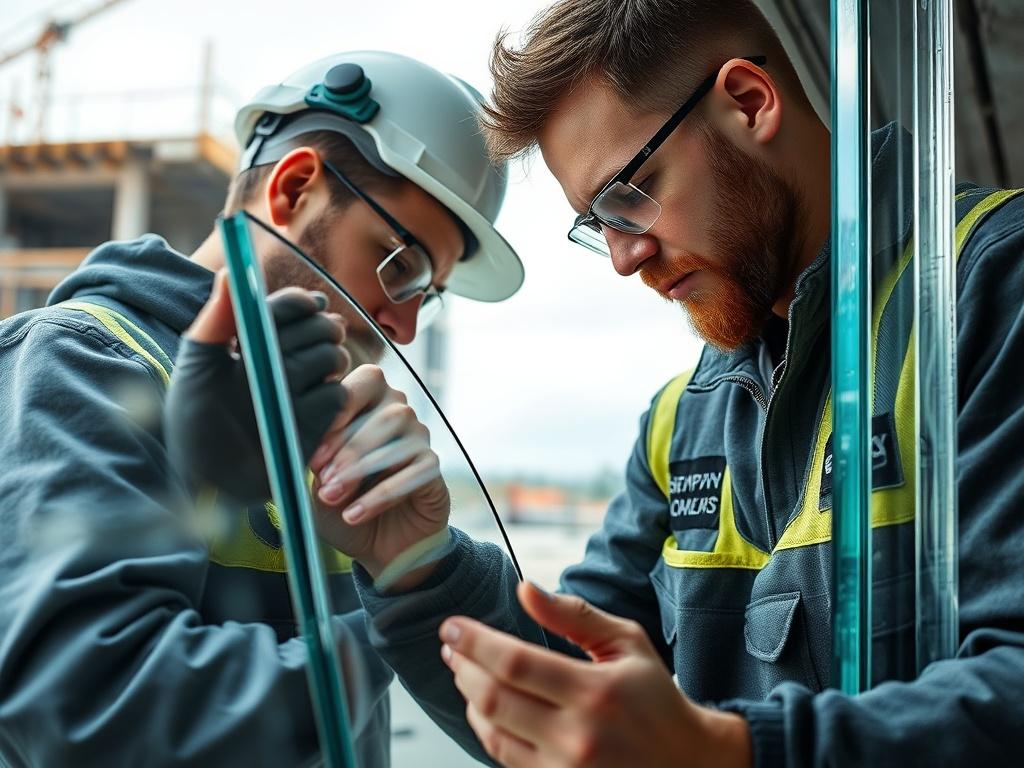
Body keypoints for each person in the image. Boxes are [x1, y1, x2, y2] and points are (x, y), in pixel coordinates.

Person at [330, 2, 1024, 767]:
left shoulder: (991, 286)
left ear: (749, 103)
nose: (625, 257)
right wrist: (413, 560)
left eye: (630, 191)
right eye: (598, 223)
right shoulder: (682, 418)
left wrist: (727, 752)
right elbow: (570, 695)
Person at [0, 50, 522, 766]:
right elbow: (98, 714)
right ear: (295, 188)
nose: (401, 326)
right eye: (398, 265)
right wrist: (386, 625)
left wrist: (417, 563)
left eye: (424, 296)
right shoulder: (84, 364)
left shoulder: (318, 412)